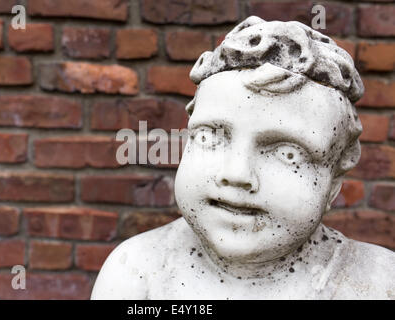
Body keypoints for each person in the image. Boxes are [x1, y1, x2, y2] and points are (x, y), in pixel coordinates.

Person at [92, 16, 395, 299]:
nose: (237, 173)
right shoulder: (136, 274)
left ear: (334, 182)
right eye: (210, 136)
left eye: (287, 153)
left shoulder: (377, 282)